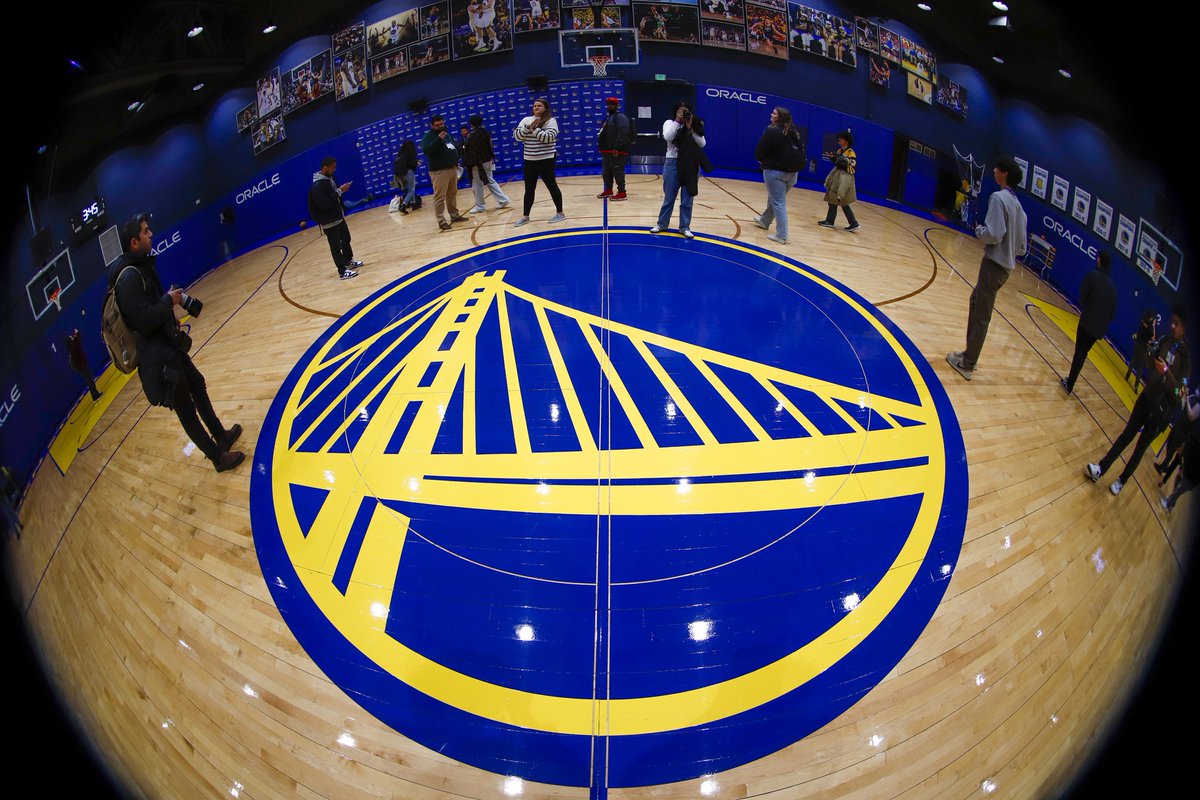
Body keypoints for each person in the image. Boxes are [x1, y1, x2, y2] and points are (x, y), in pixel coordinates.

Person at [109, 214, 244, 473]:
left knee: (198, 384)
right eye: (146, 231)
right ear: (134, 242)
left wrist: (167, 303)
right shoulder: (128, 278)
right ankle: (218, 457)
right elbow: (145, 320)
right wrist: (168, 301)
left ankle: (221, 435)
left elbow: (149, 309)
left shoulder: (139, 269)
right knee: (186, 410)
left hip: (169, 346)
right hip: (158, 358)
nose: (151, 234)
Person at [1086, 306, 1190, 496]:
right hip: (1146, 398)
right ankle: (1100, 469)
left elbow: (1179, 393)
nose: (1172, 326)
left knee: (1139, 449)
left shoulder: (1186, 359)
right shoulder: (1165, 340)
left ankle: (1121, 481)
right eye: (1172, 322)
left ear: (1184, 328)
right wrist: (1150, 356)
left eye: (1177, 324)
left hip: (1160, 415)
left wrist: (1167, 373)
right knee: (1127, 434)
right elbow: (1151, 365)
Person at [945, 157, 1029, 381]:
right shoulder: (1020, 210)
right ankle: (968, 354)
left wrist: (980, 230)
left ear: (1004, 174)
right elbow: (1022, 248)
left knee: (981, 314)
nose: (993, 169)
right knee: (976, 303)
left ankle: (968, 364)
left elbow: (994, 234)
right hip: (1005, 270)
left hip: (994, 265)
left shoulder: (999, 198)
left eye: (997, 168)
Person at [1061, 251, 1118, 394]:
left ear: (1099, 260)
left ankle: (1069, 384)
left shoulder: (1093, 275)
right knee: (1083, 353)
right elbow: (1111, 314)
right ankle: (1070, 381)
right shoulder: (1112, 288)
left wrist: (1089, 309)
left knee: (1079, 352)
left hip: (1087, 323)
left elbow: (1083, 296)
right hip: (1098, 330)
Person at [652, 100, 708, 239]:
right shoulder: (669, 124)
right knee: (669, 197)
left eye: (685, 111)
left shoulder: (695, 125)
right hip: (672, 163)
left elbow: (702, 143)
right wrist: (678, 121)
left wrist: (690, 128)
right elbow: (668, 137)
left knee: (687, 199)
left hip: (690, 164)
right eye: (680, 111)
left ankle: (684, 226)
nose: (683, 113)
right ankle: (662, 224)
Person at [751, 106, 805, 245]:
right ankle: (764, 221)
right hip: (793, 174)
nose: (771, 114)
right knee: (775, 198)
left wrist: (762, 160)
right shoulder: (794, 132)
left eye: (774, 113)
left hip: (775, 172)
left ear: (779, 117)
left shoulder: (772, 130)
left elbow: (760, 150)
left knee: (778, 202)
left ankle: (781, 235)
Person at [307, 156, 364, 280]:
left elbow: (335, 195)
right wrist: (339, 191)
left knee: (346, 239)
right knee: (336, 247)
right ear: (325, 168)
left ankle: (348, 261)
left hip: (338, 217)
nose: (334, 170)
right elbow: (324, 203)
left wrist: (340, 191)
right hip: (329, 221)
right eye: (333, 168)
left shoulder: (330, 179)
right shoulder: (317, 186)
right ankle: (342, 271)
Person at [512, 97, 565, 227]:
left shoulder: (551, 121)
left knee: (552, 186)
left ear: (545, 108)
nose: (536, 107)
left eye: (539, 106)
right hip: (529, 161)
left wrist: (534, 130)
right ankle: (525, 216)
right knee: (529, 189)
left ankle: (560, 213)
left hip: (546, 160)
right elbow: (517, 137)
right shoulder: (526, 120)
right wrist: (528, 128)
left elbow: (548, 138)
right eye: (535, 105)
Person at [422, 114, 469, 231]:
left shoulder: (447, 134)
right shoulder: (428, 136)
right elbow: (427, 150)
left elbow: (451, 146)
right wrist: (439, 139)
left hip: (452, 168)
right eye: (437, 125)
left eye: (441, 124)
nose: (440, 126)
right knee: (439, 197)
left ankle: (454, 215)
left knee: (452, 194)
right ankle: (441, 220)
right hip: (439, 171)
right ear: (432, 126)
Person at [1160, 391, 1200, 512]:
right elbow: (1183, 405)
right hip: (1183, 433)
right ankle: (1171, 497)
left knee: (1183, 482)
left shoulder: (1198, 405)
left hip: (1194, 471)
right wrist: (1184, 397)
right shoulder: (1193, 397)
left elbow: (1191, 416)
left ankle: (1170, 502)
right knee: (1178, 473)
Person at [463, 114, 510, 213]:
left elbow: (469, 150)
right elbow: (490, 145)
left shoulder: (471, 135)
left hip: (477, 162)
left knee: (477, 183)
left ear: (471, 124)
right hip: (487, 160)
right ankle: (503, 200)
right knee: (489, 179)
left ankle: (480, 206)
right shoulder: (486, 132)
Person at [818, 130, 860, 232]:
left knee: (843, 201)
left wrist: (842, 161)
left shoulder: (851, 152)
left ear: (846, 141)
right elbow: (838, 164)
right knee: (833, 199)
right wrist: (834, 158)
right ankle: (831, 221)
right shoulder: (839, 151)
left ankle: (852, 223)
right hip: (837, 177)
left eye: (840, 139)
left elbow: (851, 167)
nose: (839, 141)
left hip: (845, 178)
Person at [596, 96, 632, 201]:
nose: (609, 106)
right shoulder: (607, 118)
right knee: (606, 172)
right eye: (608, 104)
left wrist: (617, 147)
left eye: (612, 104)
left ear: (617, 106)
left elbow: (623, 132)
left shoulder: (620, 117)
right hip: (606, 150)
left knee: (618, 171)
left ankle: (622, 192)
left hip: (616, 151)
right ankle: (608, 190)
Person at [1126, 310, 1157, 391]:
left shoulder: (1143, 321)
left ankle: (1127, 376)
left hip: (1138, 344)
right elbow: (1153, 337)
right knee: (1140, 368)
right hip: (1144, 348)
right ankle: (1136, 386)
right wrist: (1153, 325)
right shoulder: (1150, 326)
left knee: (1133, 361)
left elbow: (1139, 333)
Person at [66, 329, 101, 401]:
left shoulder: (73, 348)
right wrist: (76, 333)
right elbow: (77, 340)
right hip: (82, 367)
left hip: (81, 367)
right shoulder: (73, 348)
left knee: (89, 381)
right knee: (90, 381)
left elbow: (76, 340)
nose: (72, 337)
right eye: (70, 338)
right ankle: (95, 395)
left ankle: (95, 395)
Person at [391, 139, 419, 214]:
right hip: (409, 172)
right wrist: (417, 163)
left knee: (410, 189)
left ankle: (413, 204)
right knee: (412, 189)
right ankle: (403, 206)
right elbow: (411, 164)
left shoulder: (400, 154)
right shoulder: (410, 154)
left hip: (401, 175)